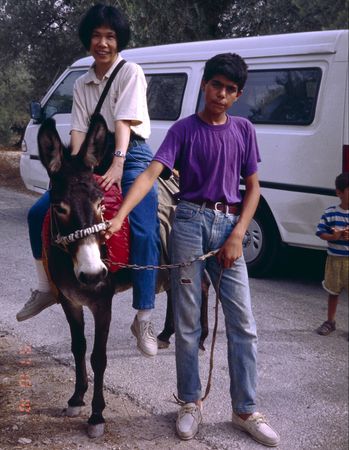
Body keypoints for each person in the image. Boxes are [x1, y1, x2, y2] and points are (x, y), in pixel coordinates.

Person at [105, 53, 280, 447]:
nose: (221, 94)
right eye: (216, 85)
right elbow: (151, 173)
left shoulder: (244, 130)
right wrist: (119, 217)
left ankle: (245, 410)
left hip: (227, 226)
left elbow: (252, 189)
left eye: (230, 89)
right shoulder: (183, 131)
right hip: (187, 223)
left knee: (244, 325)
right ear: (205, 85)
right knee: (187, 325)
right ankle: (189, 403)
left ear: (238, 95)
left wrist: (238, 234)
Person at [16, 3, 160, 358]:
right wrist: (75, 172)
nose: (103, 42)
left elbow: (124, 123)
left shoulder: (131, 72)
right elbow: (78, 130)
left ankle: (144, 313)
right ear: (87, 39)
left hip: (131, 152)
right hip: (90, 156)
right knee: (39, 214)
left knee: (143, 226)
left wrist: (117, 164)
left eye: (110, 36)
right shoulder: (82, 81)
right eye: (96, 35)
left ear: (119, 40)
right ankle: (46, 287)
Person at [316, 172, 349, 336]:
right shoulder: (330, 213)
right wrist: (333, 236)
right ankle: (330, 321)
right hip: (334, 260)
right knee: (333, 291)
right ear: (339, 193)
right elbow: (320, 232)